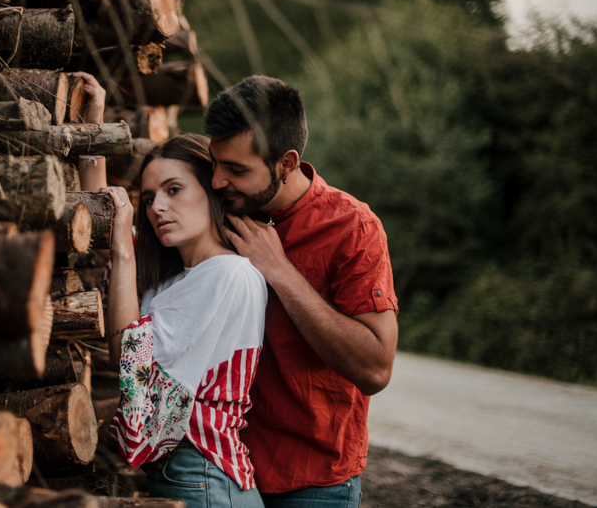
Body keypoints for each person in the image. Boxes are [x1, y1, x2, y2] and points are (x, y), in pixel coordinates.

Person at [203, 75, 399, 508]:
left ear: (286, 164)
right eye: (215, 163)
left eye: (236, 169)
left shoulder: (353, 228)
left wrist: (280, 271)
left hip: (313, 479)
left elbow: (375, 369)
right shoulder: (218, 203)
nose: (217, 181)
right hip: (220, 467)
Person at [104, 134, 268, 508]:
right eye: (148, 199)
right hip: (192, 477)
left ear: (212, 192)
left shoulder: (226, 274)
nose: (157, 207)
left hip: (203, 476)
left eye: (173, 189)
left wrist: (122, 254)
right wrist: (89, 129)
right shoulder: (177, 281)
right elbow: (109, 215)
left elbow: (128, 359)